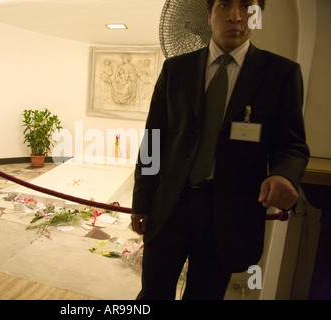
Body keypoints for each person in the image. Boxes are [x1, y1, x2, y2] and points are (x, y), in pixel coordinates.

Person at [131, 0, 310, 300]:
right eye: (225, 4)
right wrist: (141, 200)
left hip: (229, 214)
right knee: (153, 293)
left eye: (246, 6)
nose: (236, 16)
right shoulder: (176, 69)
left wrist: (285, 176)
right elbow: (153, 140)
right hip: (170, 207)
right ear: (209, 14)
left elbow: (292, 145)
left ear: (257, 15)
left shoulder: (281, 74)